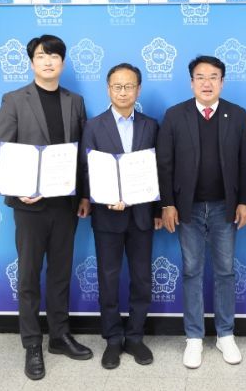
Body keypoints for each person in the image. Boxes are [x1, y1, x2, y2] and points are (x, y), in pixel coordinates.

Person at [0, 35, 93, 381]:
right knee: (29, 275)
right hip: (30, 207)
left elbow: (82, 154)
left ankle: (59, 336)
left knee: (61, 273)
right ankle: (32, 343)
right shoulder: (13, 100)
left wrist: (84, 196)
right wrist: (21, 188)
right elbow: (3, 151)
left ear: (62, 63)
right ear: (32, 62)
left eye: (54, 56)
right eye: (41, 56)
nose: (48, 61)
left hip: (65, 204)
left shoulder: (75, 101)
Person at [156, 56, 246, 369]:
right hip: (188, 208)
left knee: (225, 270)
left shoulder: (237, 115)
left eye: (213, 77)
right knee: (192, 270)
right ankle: (194, 337)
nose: (207, 83)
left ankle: (225, 334)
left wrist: (245, 201)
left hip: (226, 207)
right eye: (200, 77)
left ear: (222, 82)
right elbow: (164, 163)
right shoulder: (175, 115)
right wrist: (167, 204)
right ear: (191, 83)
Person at [80, 63, 161, 369]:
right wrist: (102, 198)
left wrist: (157, 210)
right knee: (108, 278)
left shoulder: (151, 126)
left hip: (142, 216)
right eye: (117, 86)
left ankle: (136, 336)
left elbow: (159, 170)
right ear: (108, 89)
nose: (123, 92)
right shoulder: (93, 126)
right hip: (107, 216)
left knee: (141, 278)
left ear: (138, 90)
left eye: (129, 86)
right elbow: (87, 169)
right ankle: (113, 339)